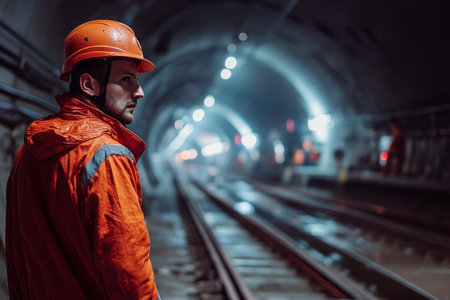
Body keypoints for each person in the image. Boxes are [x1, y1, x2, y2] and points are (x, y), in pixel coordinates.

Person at [6, 20, 160, 299]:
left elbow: (18, 255)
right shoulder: (107, 157)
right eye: (126, 79)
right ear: (89, 84)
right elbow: (129, 274)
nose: (139, 92)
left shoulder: (26, 153)